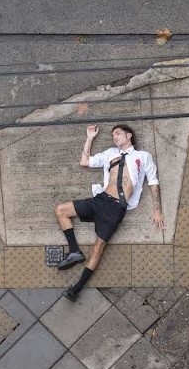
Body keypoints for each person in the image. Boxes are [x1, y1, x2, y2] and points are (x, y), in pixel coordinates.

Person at [53, 124, 165, 301]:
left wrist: (157, 211)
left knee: (98, 248)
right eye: (113, 135)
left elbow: (153, 181)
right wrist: (90, 137)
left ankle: (76, 289)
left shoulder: (143, 157)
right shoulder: (109, 154)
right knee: (60, 210)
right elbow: (85, 162)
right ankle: (74, 251)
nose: (114, 137)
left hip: (115, 209)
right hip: (100, 200)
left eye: (118, 134)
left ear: (129, 135)